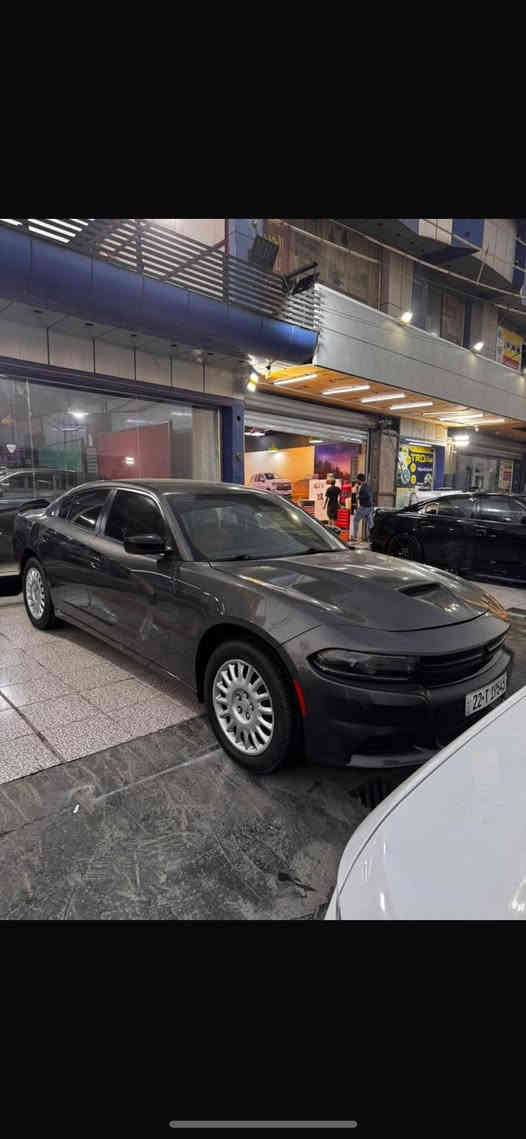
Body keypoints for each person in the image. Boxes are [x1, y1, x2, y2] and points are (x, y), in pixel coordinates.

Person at [352, 473, 373, 541]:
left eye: (357, 480)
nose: (356, 481)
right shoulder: (367, 486)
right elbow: (370, 495)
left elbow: (367, 495)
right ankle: (373, 537)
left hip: (364, 507)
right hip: (369, 507)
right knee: (370, 523)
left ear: (359, 480)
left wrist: (358, 497)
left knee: (355, 519)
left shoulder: (363, 487)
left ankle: (355, 536)